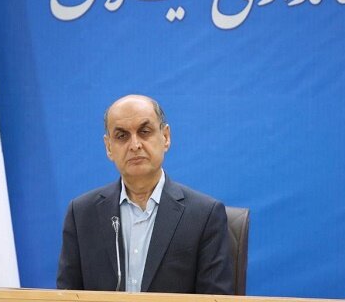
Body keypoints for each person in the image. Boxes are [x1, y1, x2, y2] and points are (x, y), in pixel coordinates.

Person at [56, 94, 233, 294]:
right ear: (109, 147)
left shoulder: (204, 215)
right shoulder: (81, 214)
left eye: (145, 132)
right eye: (122, 136)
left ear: (165, 137)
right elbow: (66, 295)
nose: (135, 145)